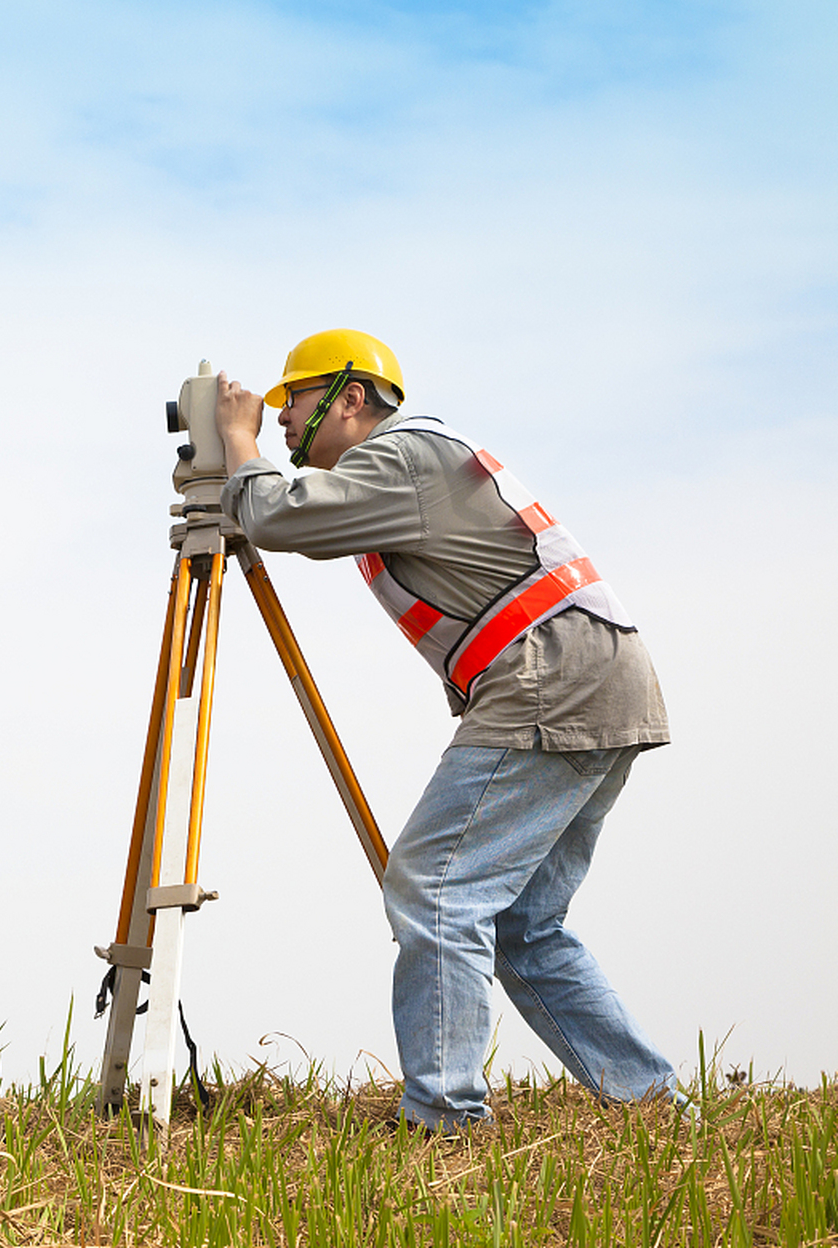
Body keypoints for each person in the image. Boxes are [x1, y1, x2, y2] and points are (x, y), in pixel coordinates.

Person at [210, 328, 681, 1133]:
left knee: (435, 890)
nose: (282, 419)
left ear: (349, 398)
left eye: (293, 400)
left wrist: (235, 441)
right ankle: (653, 1106)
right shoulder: (413, 461)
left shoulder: (397, 455)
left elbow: (281, 519)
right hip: (594, 677)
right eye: (275, 406)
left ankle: (446, 1118)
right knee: (522, 927)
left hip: (550, 677)